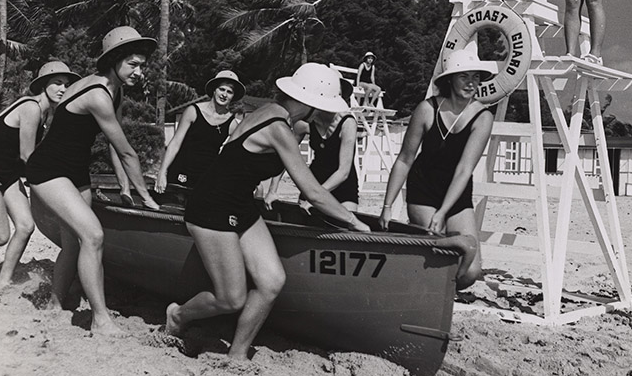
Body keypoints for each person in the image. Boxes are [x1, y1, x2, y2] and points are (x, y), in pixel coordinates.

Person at [165, 63, 370, 359]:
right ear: (309, 104)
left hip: (240, 204)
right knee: (230, 298)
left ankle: (237, 354)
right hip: (212, 205)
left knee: (272, 282)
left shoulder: (275, 113)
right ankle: (178, 316)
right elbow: (313, 191)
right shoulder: (277, 128)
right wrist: (354, 221)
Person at [26, 26, 160, 335]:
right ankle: (101, 320)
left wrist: (126, 187)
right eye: (133, 64)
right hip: (48, 169)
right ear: (114, 60)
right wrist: (147, 197)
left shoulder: (116, 90)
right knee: (94, 236)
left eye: (142, 64)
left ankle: (55, 304)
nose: (140, 71)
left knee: (74, 241)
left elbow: (115, 142)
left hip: (75, 169)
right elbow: (128, 152)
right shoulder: (98, 94)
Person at [378, 49, 496, 290]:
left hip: (456, 191)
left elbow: (464, 169)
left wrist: (443, 211)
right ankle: (430, 296)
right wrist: (387, 206)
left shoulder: (483, 117)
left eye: (476, 77)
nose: (471, 83)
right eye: (464, 76)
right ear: (450, 79)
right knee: (436, 251)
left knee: (470, 271)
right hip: (424, 188)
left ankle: (437, 290)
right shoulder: (427, 109)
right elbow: (404, 159)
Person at [0, 61, 80, 290]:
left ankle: (4, 280)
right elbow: (28, 155)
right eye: (57, 83)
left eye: (66, 85)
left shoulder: (44, 115)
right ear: (43, 86)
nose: (63, 89)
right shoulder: (31, 108)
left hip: (6, 174)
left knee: (26, 226)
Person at [265, 75, 359, 211]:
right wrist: (272, 191)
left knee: (346, 227)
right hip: (314, 181)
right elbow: (285, 155)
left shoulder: (347, 123)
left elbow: (343, 171)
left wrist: (316, 197)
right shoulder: (305, 123)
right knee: (306, 224)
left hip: (342, 183)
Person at [155, 70, 244, 194]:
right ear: (214, 90)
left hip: (206, 178)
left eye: (229, 92)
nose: (224, 94)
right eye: (222, 89)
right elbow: (175, 143)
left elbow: (236, 155)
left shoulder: (232, 123)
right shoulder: (193, 111)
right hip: (181, 170)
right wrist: (162, 172)